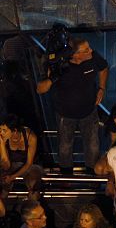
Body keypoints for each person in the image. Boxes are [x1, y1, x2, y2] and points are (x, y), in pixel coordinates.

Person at [36, 36, 108, 174]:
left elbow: (104, 68)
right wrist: (53, 77)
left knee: (93, 146)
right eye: (86, 50)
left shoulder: (93, 57)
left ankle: (92, 176)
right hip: (65, 114)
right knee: (64, 148)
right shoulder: (59, 65)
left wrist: (102, 88)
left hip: (89, 111)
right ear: (76, 55)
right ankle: (66, 177)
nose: (91, 51)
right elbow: (40, 89)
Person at [0, 114, 42, 199]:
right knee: (4, 181)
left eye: (4, 130)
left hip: (31, 165)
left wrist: (12, 177)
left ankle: (33, 207)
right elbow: (6, 166)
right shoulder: (2, 138)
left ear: (14, 131)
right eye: (0, 130)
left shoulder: (31, 137)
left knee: (33, 185)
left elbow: (29, 163)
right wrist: (2, 144)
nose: (1, 133)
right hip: (12, 165)